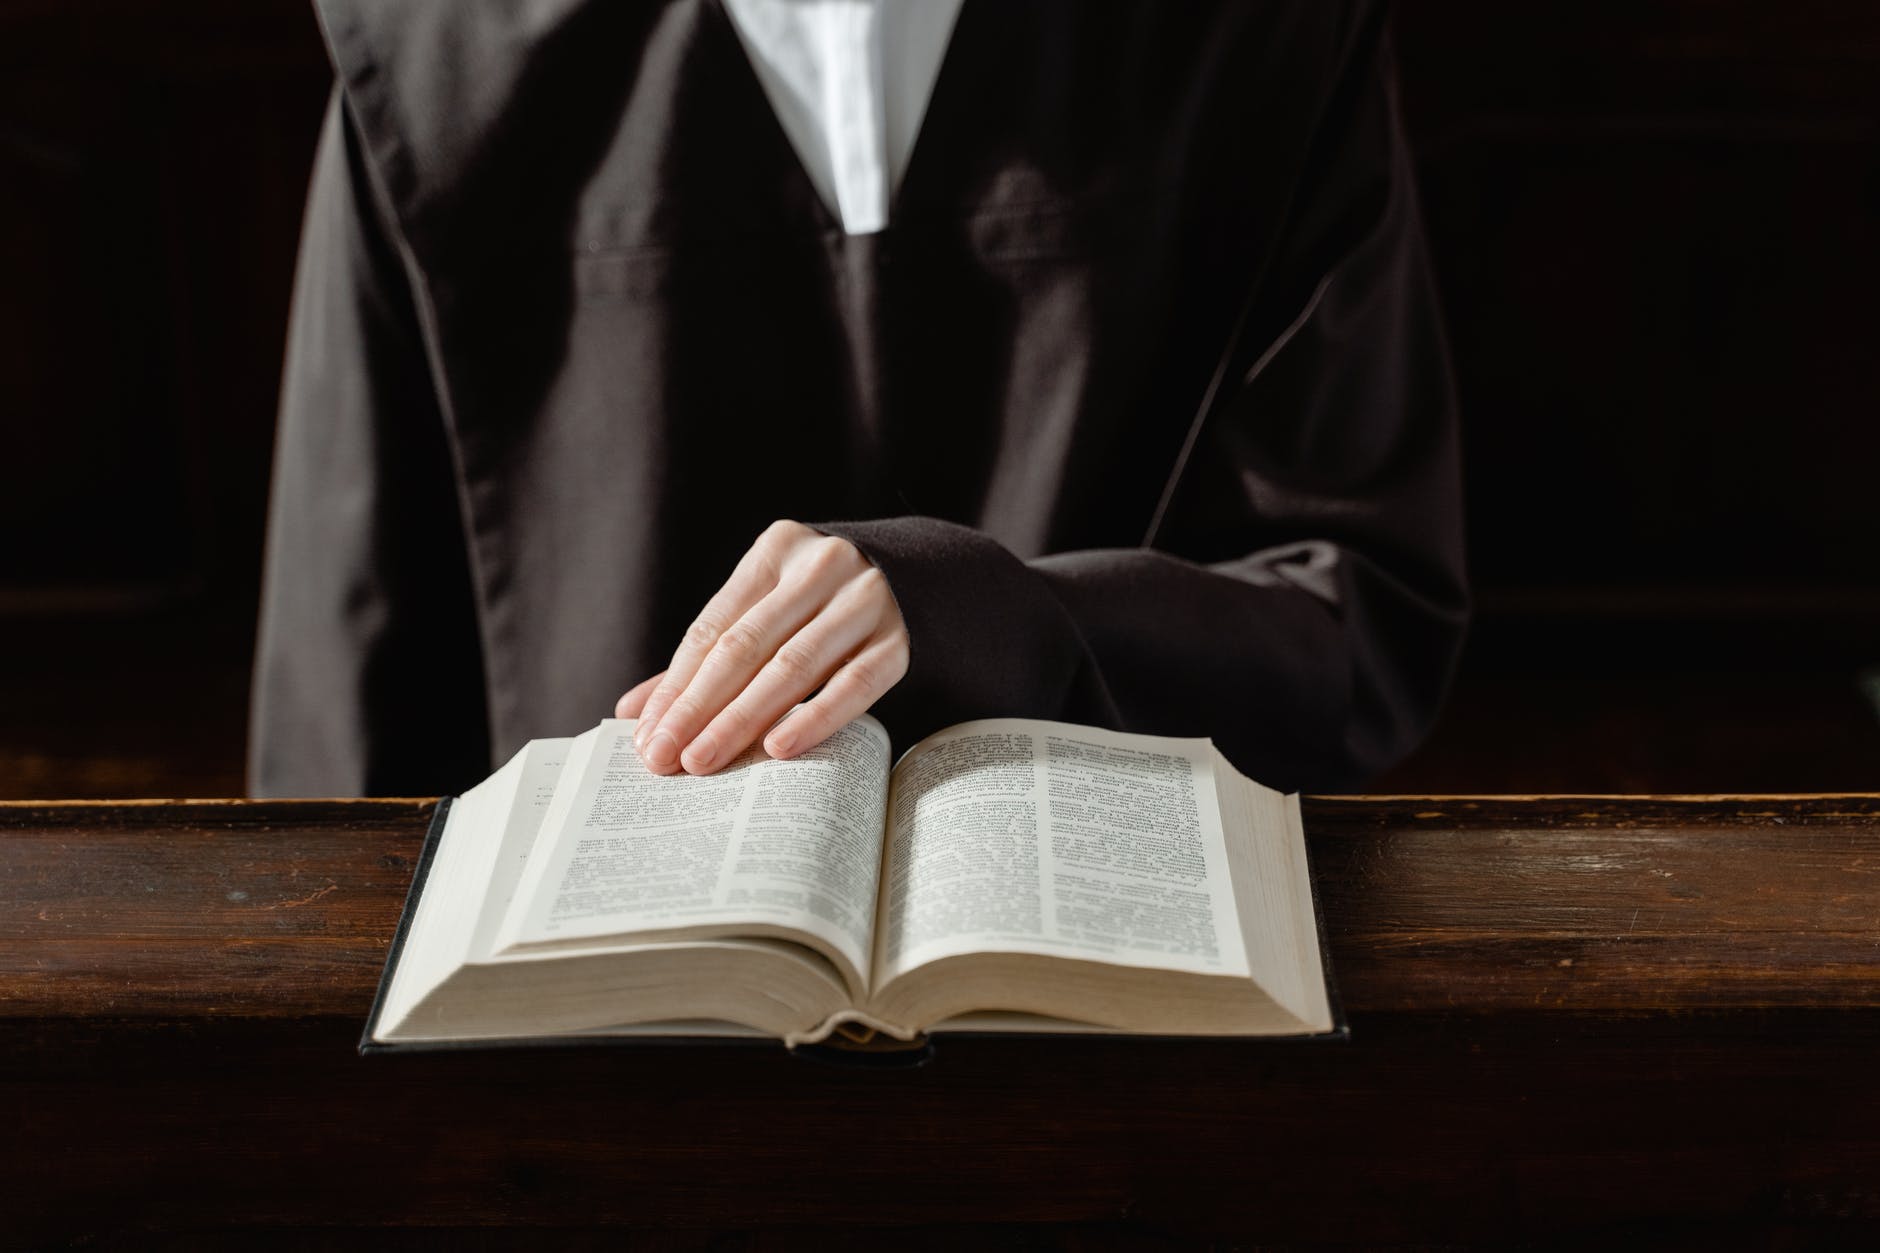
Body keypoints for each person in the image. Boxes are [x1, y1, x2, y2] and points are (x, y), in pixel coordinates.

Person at [249, 0, 1467, 799]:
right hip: (590, 1061)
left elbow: (1359, 626)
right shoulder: (436, 48)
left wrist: (980, 613)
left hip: (1118, 1041)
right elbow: (341, 720)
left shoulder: (1266, 36)